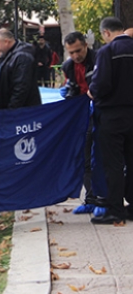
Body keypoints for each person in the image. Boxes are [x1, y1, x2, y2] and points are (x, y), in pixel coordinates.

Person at [88, 17, 133, 225]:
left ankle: (115, 209)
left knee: (114, 164)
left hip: (113, 115)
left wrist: (92, 92)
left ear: (106, 32)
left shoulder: (107, 52)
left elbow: (101, 84)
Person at [61, 31, 103, 216]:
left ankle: (105, 199)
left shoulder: (100, 59)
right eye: (71, 52)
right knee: (85, 159)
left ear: (86, 45)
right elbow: (73, 87)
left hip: (102, 114)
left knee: (102, 159)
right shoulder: (68, 66)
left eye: (78, 50)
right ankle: (91, 199)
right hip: (82, 116)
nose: (76, 55)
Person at [0, 28, 41, 109]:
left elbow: (21, 88)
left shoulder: (22, 57)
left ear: (6, 42)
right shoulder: (6, 56)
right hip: (9, 107)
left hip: (21, 111)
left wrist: (11, 110)